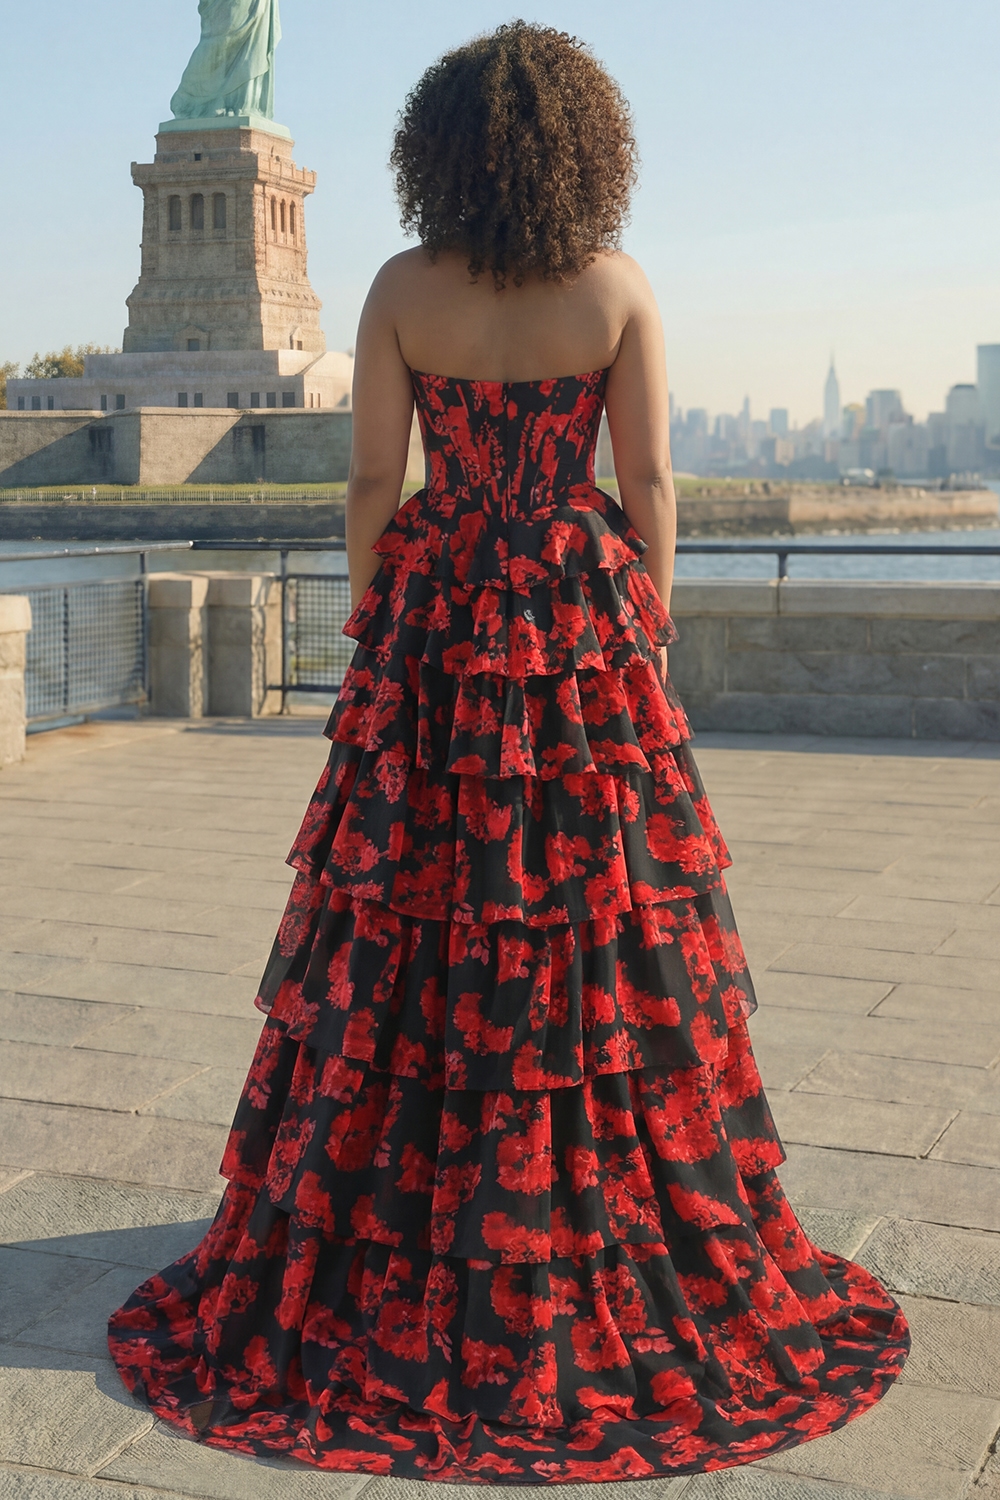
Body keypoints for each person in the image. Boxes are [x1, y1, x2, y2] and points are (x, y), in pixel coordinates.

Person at [109, 21, 908, 1482]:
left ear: (439, 151)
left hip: (438, 618)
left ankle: (399, 1208)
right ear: (585, 150)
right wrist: (636, 632)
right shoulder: (614, 290)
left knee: (413, 910)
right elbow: (649, 481)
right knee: (591, 915)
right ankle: (594, 1184)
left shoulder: (402, 290)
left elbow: (371, 480)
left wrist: (384, 624)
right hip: (579, 624)